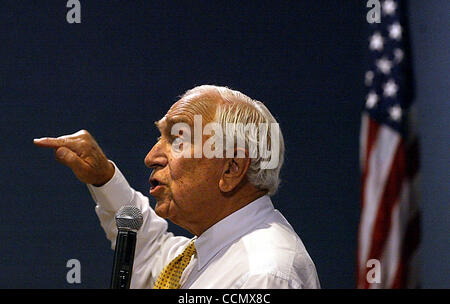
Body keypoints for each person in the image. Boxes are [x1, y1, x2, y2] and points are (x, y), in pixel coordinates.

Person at [34, 85, 320, 289]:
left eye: (177, 139)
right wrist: (104, 178)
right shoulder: (208, 255)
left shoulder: (261, 275)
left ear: (231, 169)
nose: (151, 157)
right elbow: (148, 250)